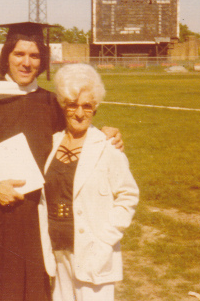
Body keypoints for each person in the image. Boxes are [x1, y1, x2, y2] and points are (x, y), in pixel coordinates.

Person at [0, 23, 123, 301]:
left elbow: (77, 130)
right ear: (6, 56)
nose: (26, 63)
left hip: (34, 222)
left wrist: (107, 134)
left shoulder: (50, 104)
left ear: (43, 61)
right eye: (19, 54)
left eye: (34, 56)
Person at [38, 64, 139, 301]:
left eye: (87, 106)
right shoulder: (50, 143)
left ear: (96, 108)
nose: (80, 113)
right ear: (63, 106)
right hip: (57, 249)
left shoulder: (107, 146)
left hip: (93, 252)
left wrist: (105, 239)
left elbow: (128, 195)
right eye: (72, 105)